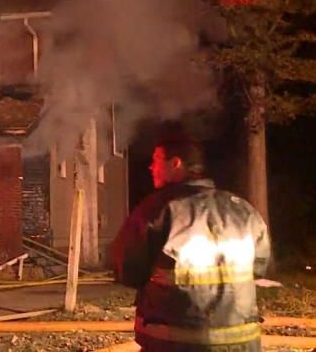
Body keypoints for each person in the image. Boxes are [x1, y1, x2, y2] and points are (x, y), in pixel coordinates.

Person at [112, 128, 271, 352]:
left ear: (175, 163)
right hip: (242, 343)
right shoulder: (244, 210)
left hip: (174, 342)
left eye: (156, 160)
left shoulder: (158, 209)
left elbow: (128, 270)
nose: (151, 167)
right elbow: (259, 268)